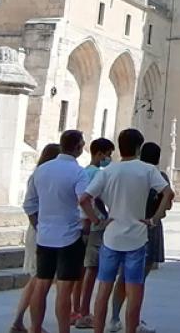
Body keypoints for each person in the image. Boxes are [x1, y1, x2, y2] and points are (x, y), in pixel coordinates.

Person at [80, 128, 172, 333]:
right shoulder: (148, 170)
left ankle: (99, 329)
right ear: (139, 147)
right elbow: (167, 193)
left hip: (112, 236)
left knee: (104, 288)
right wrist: (154, 219)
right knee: (134, 289)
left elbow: (84, 198)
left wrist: (98, 220)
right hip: (137, 237)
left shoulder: (108, 172)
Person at [23, 130, 90, 333]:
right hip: (69, 235)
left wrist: (38, 224)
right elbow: (84, 199)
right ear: (78, 147)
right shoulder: (78, 172)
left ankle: (35, 327)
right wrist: (89, 221)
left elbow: (29, 204)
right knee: (64, 288)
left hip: (45, 236)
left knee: (41, 284)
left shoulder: (41, 170)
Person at [105, 143, 173, 333]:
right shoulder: (158, 176)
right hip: (149, 227)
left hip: (126, 223)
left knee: (123, 276)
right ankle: (133, 321)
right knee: (138, 279)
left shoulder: (126, 172)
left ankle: (115, 317)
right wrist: (155, 217)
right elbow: (167, 203)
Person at [11, 142, 62, 333]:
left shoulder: (41, 175)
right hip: (41, 231)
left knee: (37, 279)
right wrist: (40, 227)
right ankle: (28, 323)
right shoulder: (40, 176)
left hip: (42, 229)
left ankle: (22, 322)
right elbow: (29, 206)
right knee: (38, 279)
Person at [72, 137, 115, 331]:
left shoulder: (83, 172)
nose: (109, 158)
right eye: (108, 154)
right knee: (92, 268)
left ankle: (76, 309)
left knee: (81, 271)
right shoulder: (97, 173)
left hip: (80, 223)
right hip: (93, 226)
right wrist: (101, 218)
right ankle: (84, 311)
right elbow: (93, 199)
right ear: (100, 153)